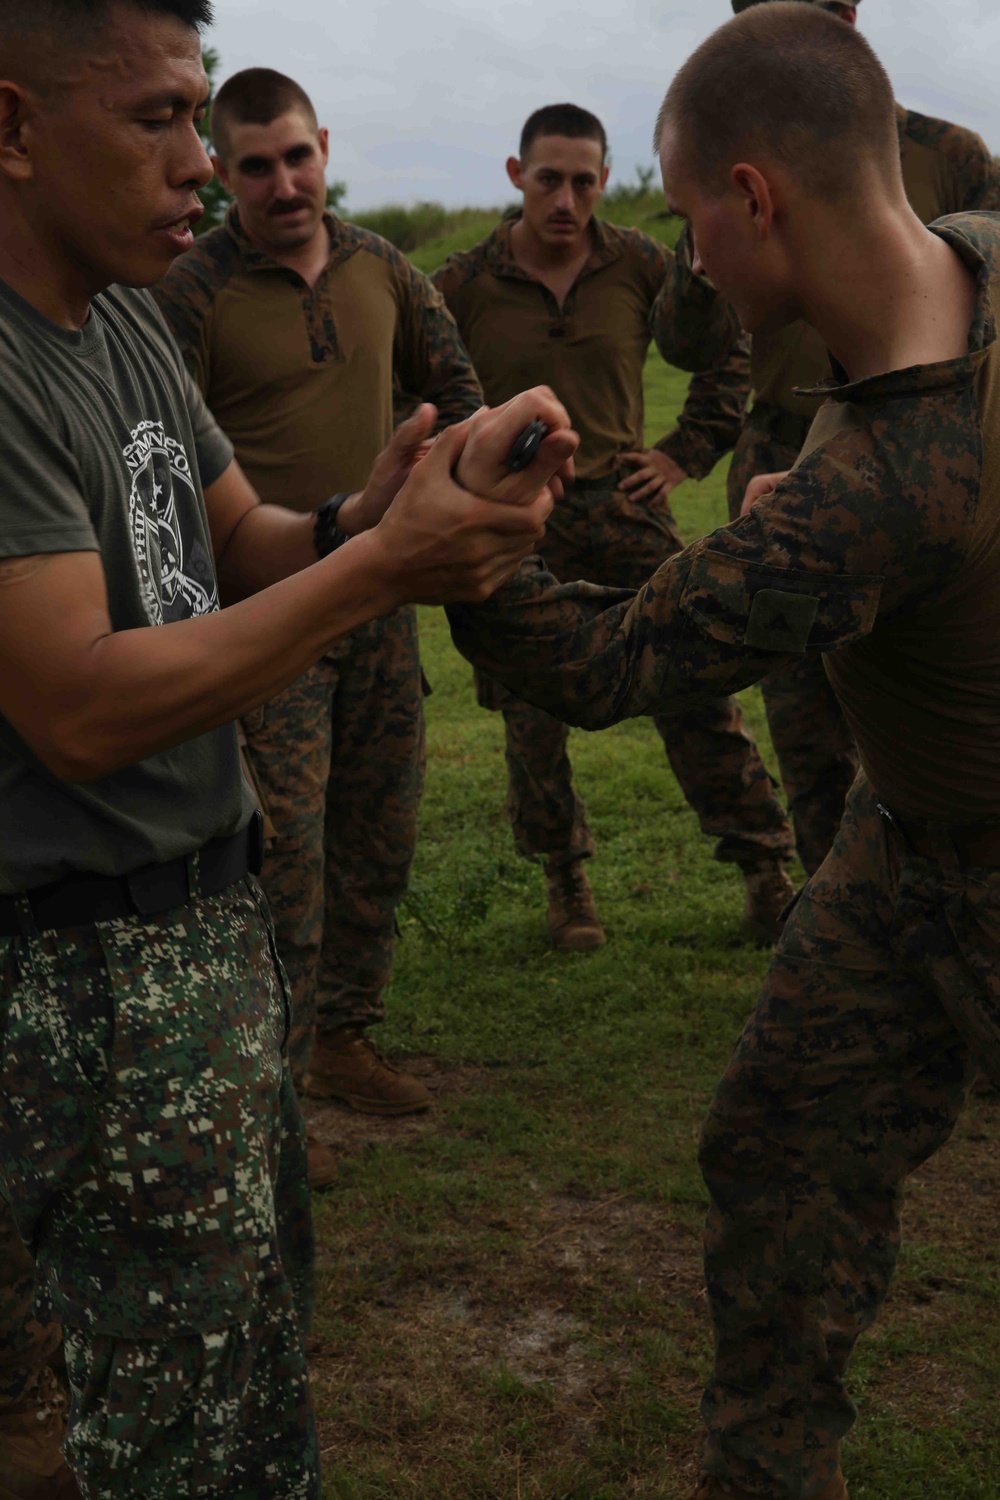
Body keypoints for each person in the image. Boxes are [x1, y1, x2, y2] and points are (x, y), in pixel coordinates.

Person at [0, 1, 572, 1494]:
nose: (200, 164)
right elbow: (77, 704)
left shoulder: (122, 310)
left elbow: (238, 537)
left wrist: (369, 511)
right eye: (160, 121)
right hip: (80, 973)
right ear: (10, 129)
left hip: (205, 923)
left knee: (254, 1376)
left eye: (209, 121)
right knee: (168, 1433)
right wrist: (379, 576)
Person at [447, 7, 1000, 1496]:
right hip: (900, 839)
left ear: (754, 197)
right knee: (783, 1147)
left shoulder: (887, 486)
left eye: (692, 220)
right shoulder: (979, 244)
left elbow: (613, 662)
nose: (685, 261)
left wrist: (460, 558)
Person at [155, 70, 484, 1185]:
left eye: (297, 157)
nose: (283, 184)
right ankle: (271, 1098)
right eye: (254, 165)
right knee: (280, 860)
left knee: (378, 831)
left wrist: (480, 477)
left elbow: (459, 391)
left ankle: (345, 1038)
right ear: (221, 167)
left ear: (325, 146)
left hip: (379, 601)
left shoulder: (381, 266)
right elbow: (165, 470)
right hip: (265, 620)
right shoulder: (188, 291)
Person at [433, 104, 796, 952]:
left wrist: (682, 453)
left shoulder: (637, 261)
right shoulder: (465, 280)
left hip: (625, 507)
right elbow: (412, 378)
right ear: (516, 174)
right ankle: (568, 884)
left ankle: (767, 875)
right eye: (549, 178)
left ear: (603, 180)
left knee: (696, 679)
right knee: (532, 711)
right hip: (523, 522)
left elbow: (723, 351)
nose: (566, 198)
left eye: (585, 181)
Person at [695, 0, 1000, 875]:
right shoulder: (725, 165)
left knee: (935, 688)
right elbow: (688, 339)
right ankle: (840, 893)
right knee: (801, 704)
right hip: (784, 447)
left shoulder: (951, 156)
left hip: (933, 451)